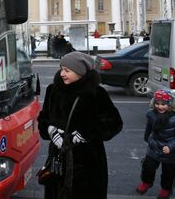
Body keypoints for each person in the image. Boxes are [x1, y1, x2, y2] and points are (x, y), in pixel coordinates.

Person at [38, 51, 123, 199]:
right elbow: (44, 118)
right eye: (61, 69)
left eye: (67, 70)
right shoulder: (53, 90)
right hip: (58, 159)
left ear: (81, 73)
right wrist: (49, 130)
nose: (62, 74)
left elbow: (114, 123)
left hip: (88, 162)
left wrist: (86, 132)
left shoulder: (96, 93)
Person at [136, 89, 175, 199]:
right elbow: (149, 128)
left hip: (171, 150)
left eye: (163, 104)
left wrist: (170, 146)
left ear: (170, 104)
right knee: (148, 166)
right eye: (157, 103)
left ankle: (166, 189)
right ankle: (147, 182)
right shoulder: (151, 114)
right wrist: (147, 139)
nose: (160, 107)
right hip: (154, 146)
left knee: (169, 172)